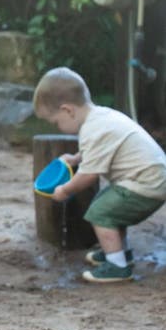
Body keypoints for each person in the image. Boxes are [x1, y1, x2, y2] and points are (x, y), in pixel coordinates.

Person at [33, 67, 166, 283]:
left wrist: (64, 190)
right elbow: (96, 150)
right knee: (109, 205)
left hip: (146, 184)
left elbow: (89, 175)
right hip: (151, 179)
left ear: (68, 110)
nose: (57, 126)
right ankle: (118, 251)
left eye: (55, 121)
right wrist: (76, 159)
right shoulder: (101, 117)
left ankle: (117, 266)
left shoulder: (93, 129)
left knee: (100, 212)